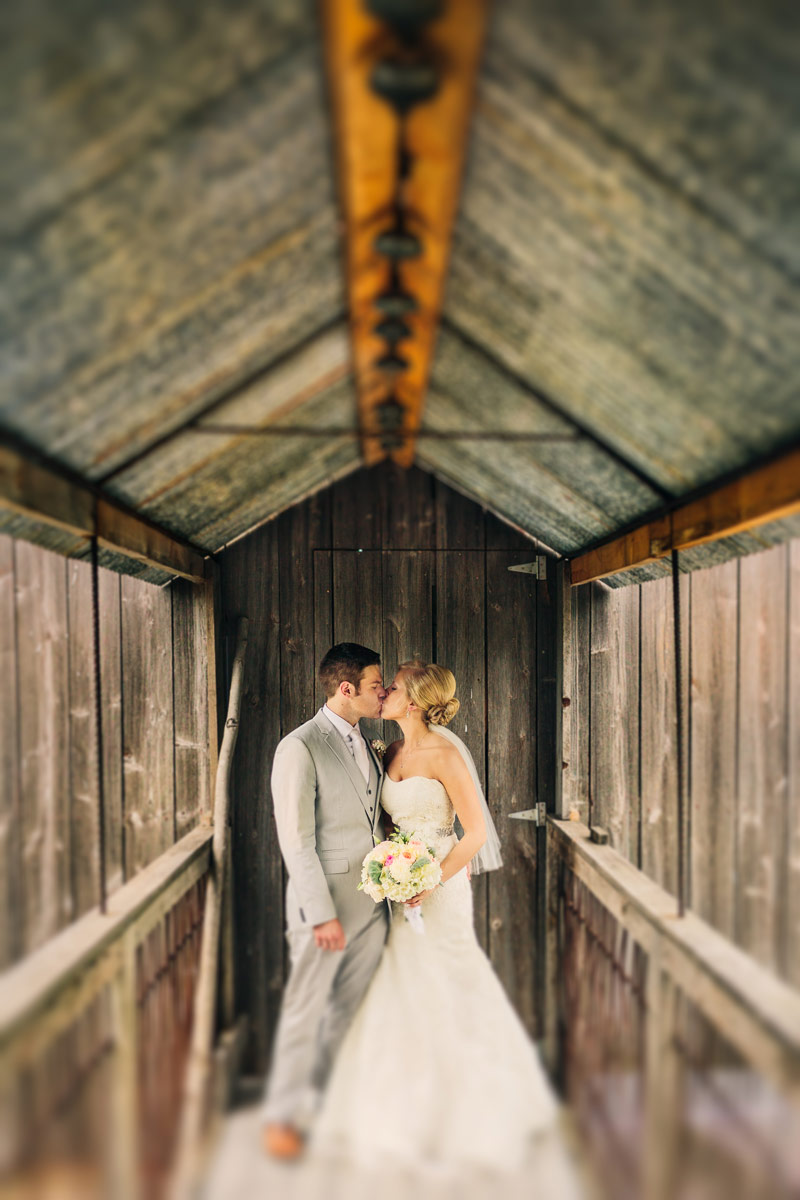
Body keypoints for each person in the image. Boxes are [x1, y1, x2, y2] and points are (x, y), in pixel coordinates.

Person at [309, 659, 560, 1178]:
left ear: (415, 702)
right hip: (400, 894)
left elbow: (475, 835)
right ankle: (403, 1114)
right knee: (404, 988)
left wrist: (430, 879)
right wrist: (391, 871)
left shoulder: (445, 754)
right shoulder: (390, 751)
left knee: (449, 984)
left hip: (439, 893)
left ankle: (474, 1117)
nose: (384, 694)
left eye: (393, 688)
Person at [261, 643, 389, 1160]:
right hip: (326, 911)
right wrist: (321, 915)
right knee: (305, 1011)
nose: (383, 693)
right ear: (346, 689)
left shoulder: (368, 741)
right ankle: (282, 1116)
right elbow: (296, 840)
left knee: (349, 1014)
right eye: (376, 685)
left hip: (373, 907)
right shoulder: (300, 746)